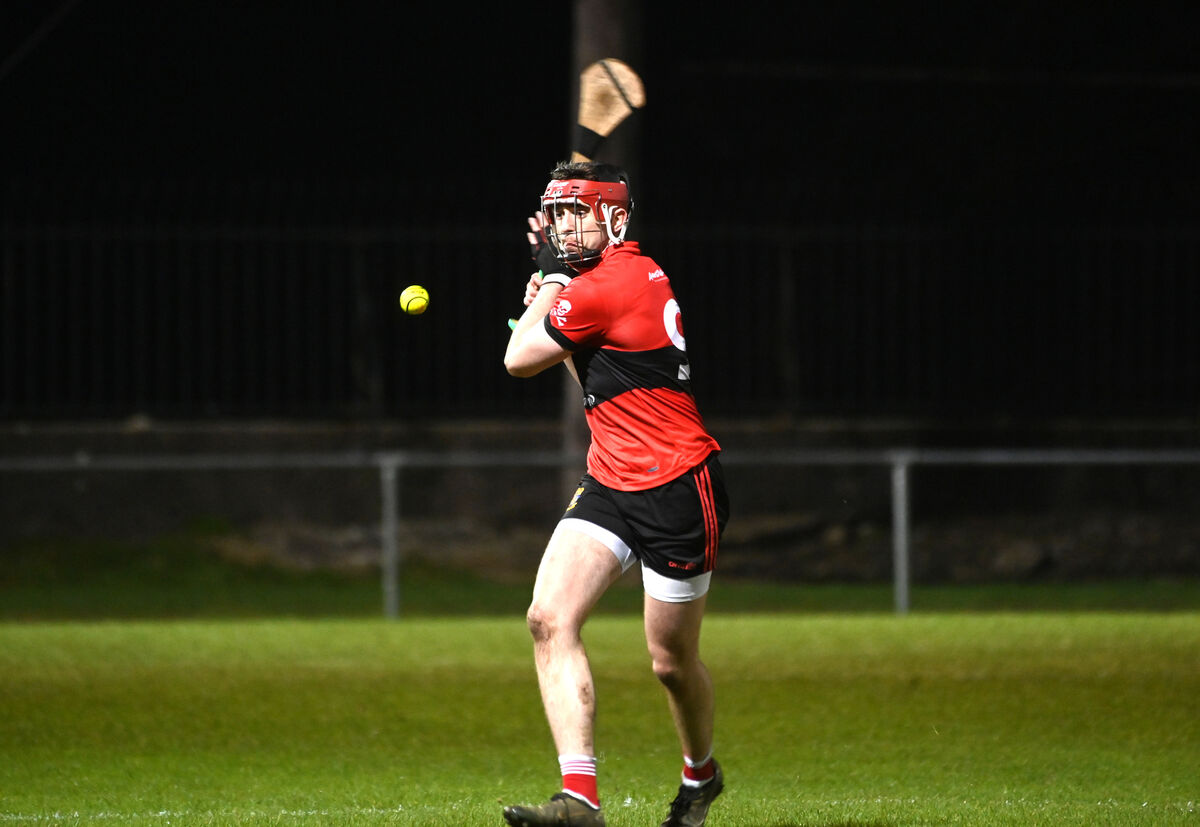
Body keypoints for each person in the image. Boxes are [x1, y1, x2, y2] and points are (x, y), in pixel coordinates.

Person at [502, 161, 730, 827]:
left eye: (580, 214)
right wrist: (555, 295)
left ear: (618, 221)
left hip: (677, 488)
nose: (566, 228)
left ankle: (701, 775)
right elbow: (591, 369)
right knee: (548, 617)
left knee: (671, 663)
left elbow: (517, 357)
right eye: (559, 214)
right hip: (610, 482)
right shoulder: (609, 278)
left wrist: (548, 284)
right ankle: (580, 799)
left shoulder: (615, 280)